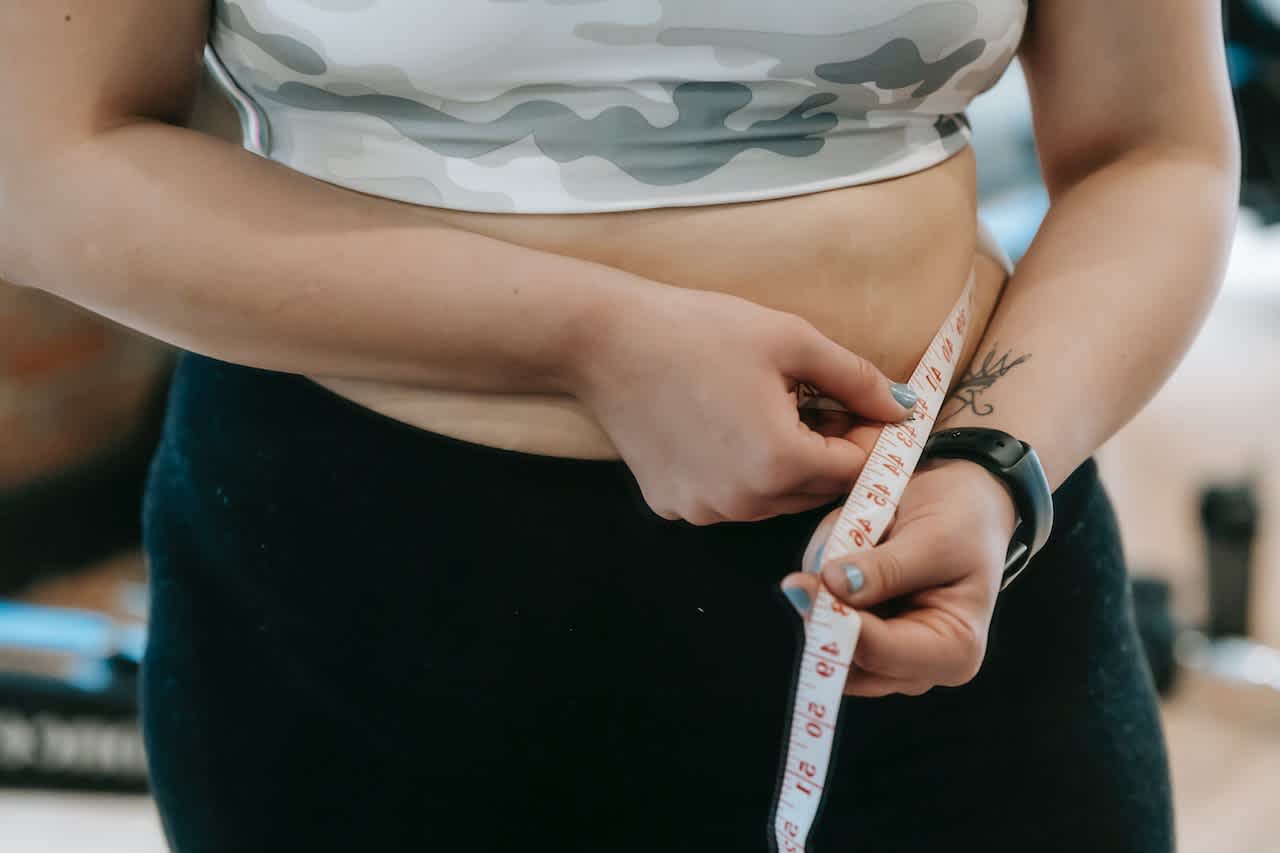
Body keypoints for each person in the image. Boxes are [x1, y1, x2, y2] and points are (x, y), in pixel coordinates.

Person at [0, 2, 1237, 851]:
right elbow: (45, 162)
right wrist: (586, 340)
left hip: (940, 565)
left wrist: (991, 464)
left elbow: (1155, 149)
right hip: (366, 596)